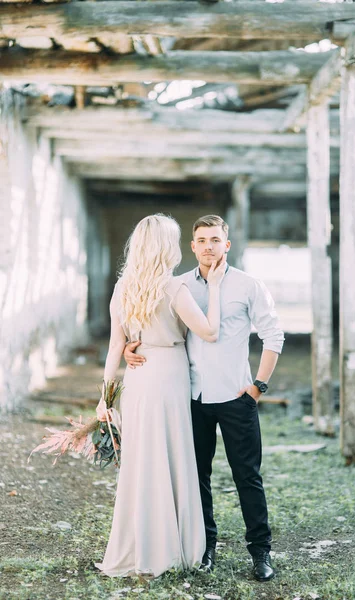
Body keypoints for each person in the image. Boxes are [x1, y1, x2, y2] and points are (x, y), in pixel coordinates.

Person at [125, 214, 284, 582]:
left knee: (248, 477)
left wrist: (258, 386)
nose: (209, 246)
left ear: (226, 244)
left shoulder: (248, 285)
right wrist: (131, 347)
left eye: (216, 239)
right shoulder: (177, 286)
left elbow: (273, 336)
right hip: (190, 398)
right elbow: (151, 327)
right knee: (197, 477)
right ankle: (205, 548)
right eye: (202, 240)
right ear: (192, 246)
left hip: (235, 396)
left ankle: (260, 553)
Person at [95, 214, 227, 578]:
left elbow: (114, 347)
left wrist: (105, 398)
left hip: (137, 379)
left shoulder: (124, 287)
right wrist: (213, 287)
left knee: (142, 461)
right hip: (169, 375)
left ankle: (141, 545)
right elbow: (210, 331)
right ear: (166, 247)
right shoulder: (173, 289)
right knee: (172, 455)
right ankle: (174, 545)